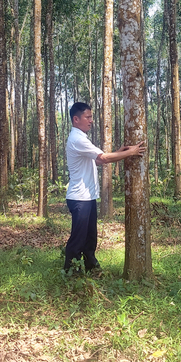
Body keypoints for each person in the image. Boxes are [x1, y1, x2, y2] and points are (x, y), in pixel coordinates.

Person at [64, 102, 147, 274]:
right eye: (87, 117)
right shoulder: (77, 139)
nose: (91, 120)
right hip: (80, 198)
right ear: (76, 119)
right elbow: (105, 158)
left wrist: (119, 151)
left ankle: (91, 267)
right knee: (78, 239)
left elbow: (99, 160)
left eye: (91, 117)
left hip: (87, 197)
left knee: (90, 238)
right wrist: (131, 152)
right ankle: (71, 272)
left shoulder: (81, 138)